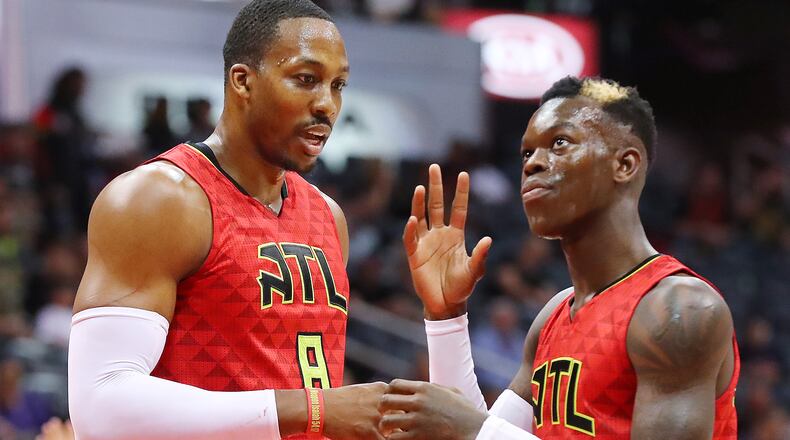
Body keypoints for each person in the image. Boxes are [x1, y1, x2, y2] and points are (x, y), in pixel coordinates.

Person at [67, 1, 386, 439]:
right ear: (243, 81)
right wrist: (311, 410)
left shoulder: (329, 218)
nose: (327, 105)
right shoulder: (158, 198)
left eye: (338, 84)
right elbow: (99, 405)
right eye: (306, 79)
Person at [378, 76, 740, 439]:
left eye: (560, 143)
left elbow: (479, 433)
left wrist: (474, 430)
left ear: (625, 164)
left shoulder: (680, 309)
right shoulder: (553, 315)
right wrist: (446, 318)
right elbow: (474, 433)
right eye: (527, 153)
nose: (533, 164)